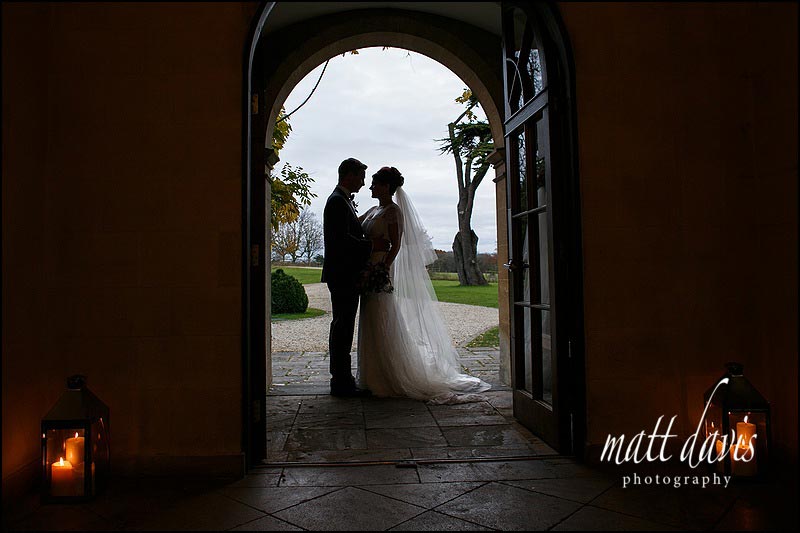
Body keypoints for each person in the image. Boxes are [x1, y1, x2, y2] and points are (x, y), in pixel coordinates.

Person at [356, 166, 491, 404]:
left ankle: (389, 375)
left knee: (382, 318)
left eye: (375, 183)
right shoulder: (373, 210)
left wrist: (383, 268)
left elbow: (396, 245)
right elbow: (356, 227)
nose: (371, 187)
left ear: (386, 187)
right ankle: (372, 374)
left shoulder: (393, 212)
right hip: (367, 270)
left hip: (378, 271)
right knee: (369, 319)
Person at [321, 158, 373, 397]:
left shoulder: (342, 201)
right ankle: (341, 383)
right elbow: (342, 241)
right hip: (343, 274)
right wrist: (372, 245)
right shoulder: (336, 202)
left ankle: (342, 380)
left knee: (343, 326)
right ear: (349, 176)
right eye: (361, 177)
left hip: (343, 273)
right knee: (342, 327)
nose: (363, 183)